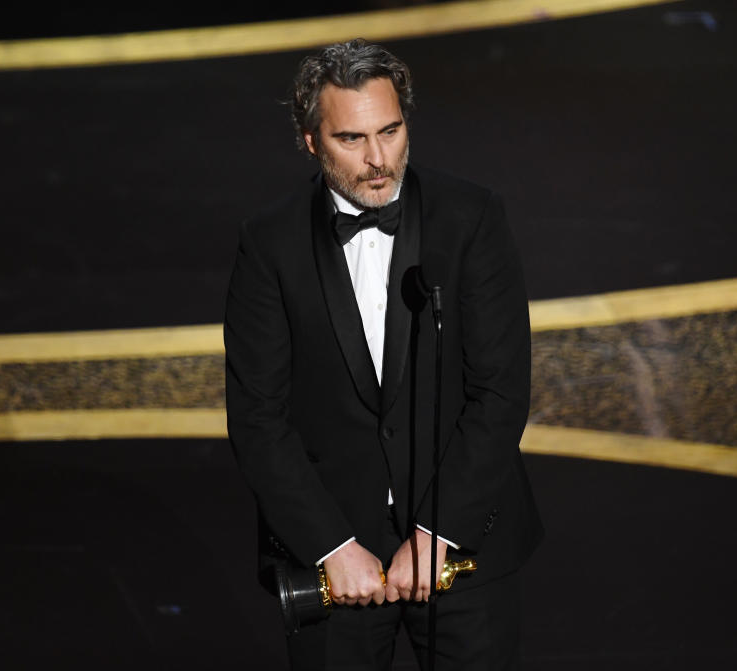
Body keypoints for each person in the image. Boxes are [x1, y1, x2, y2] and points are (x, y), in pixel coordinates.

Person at [224, 38, 542, 670]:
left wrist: (436, 532)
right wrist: (331, 545)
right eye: (351, 139)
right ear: (310, 141)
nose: (378, 160)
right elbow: (258, 417)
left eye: (391, 131)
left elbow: (501, 390)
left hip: (463, 547)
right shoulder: (269, 244)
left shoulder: (471, 217)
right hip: (336, 567)